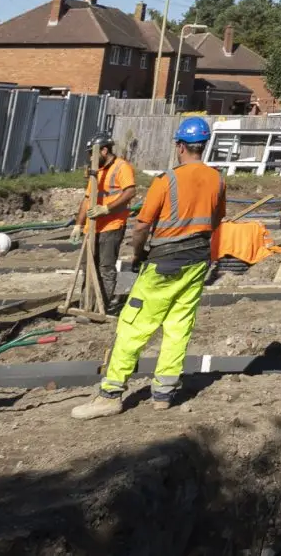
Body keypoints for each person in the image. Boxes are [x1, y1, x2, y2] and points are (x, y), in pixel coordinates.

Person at [72, 116, 224, 419]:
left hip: (164, 262)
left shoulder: (166, 180)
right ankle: (163, 393)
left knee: (133, 325)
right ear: (203, 146)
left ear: (180, 146)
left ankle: (111, 393)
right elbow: (217, 219)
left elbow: (142, 226)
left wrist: (138, 254)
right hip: (196, 262)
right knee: (178, 326)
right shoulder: (218, 179)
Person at [80, 139, 139, 307]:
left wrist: (106, 208)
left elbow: (130, 191)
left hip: (111, 225)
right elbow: (87, 199)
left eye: (92, 153)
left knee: (105, 267)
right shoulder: (96, 171)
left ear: (104, 151)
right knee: (88, 268)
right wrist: (78, 224)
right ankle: (87, 304)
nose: (90, 157)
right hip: (91, 227)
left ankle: (101, 305)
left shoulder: (121, 167)